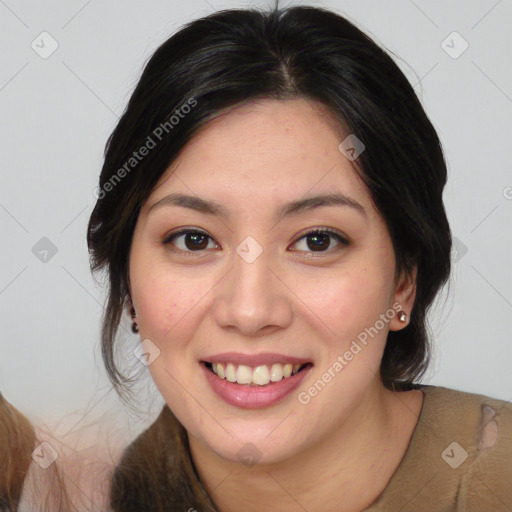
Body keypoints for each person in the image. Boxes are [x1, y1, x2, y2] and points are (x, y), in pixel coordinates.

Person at [2, 3, 511, 511]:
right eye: (194, 240)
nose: (249, 311)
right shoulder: (63, 491)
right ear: (128, 282)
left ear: (404, 278)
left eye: (317, 241)